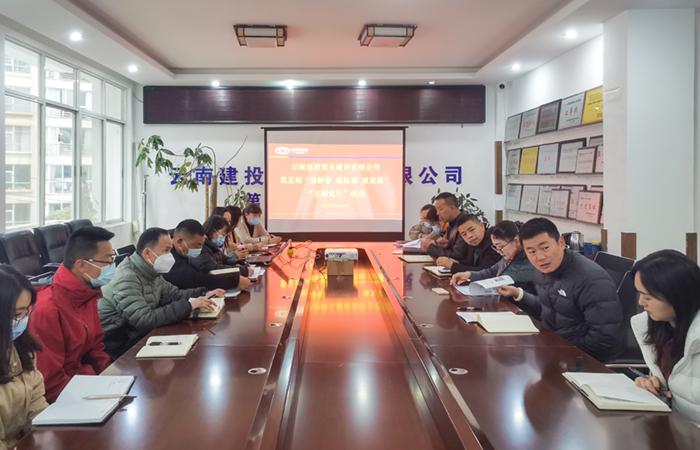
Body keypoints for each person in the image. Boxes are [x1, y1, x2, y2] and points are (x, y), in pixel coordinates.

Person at [496, 218, 623, 361]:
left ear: (561, 242)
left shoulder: (590, 279)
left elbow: (603, 338)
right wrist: (519, 294)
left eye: (545, 248)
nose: (540, 257)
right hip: (554, 345)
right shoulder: (542, 271)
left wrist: (555, 350)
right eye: (531, 251)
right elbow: (551, 308)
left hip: (585, 359)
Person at [98, 228, 222, 359]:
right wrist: (189, 305)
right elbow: (144, 320)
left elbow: (174, 294)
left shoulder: (151, 271)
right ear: (147, 253)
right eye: (166, 250)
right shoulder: (127, 278)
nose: (170, 256)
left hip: (136, 337)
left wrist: (203, 294)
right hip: (117, 347)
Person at [29, 227, 114, 403]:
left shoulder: (87, 293)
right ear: (81, 265)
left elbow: (95, 347)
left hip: (86, 383)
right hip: (64, 398)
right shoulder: (47, 310)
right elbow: (51, 383)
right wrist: (95, 395)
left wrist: (112, 378)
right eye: (107, 261)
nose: (112, 266)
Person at [630, 250, 700, 425]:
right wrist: (655, 386)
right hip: (677, 428)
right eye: (639, 294)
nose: (640, 302)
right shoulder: (663, 327)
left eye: (648, 297)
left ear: (678, 296)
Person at [0, 265, 48, 447]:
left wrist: (50, 436)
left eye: (27, 311)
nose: (23, 320)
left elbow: (37, 404)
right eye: (17, 314)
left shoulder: (20, 346)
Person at [450, 220, 535, 294]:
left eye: (500, 246)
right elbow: (491, 272)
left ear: (516, 241)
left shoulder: (531, 261)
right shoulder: (508, 257)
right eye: (496, 247)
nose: (499, 251)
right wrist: (469, 275)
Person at [166, 219, 251, 290]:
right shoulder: (167, 256)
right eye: (197, 245)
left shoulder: (182, 246)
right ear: (179, 241)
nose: (200, 249)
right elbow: (195, 278)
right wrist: (234, 280)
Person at [436, 214, 501, 274]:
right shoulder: (472, 242)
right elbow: (469, 264)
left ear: (482, 226)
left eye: (472, 230)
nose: (469, 236)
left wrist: (452, 265)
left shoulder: (493, 243)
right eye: (464, 234)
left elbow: (485, 272)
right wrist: (455, 262)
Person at [419, 192, 469, 258]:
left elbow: (458, 255)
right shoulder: (451, 222)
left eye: (440, 209)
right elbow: (448, 246)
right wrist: (437, 243)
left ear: (452, 208)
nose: (437, 213)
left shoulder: (465, 223)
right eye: (437, 210)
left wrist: (430, 248)